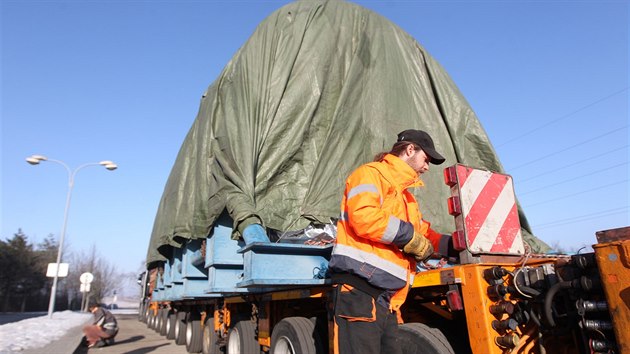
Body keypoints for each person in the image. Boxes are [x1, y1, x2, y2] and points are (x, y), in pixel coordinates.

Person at [328, 129, 452, 354]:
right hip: (361, 292)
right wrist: (408, 237)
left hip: (389, 300)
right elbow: (363, 216)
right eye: (427, 159)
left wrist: (455, 246)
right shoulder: (370, 174)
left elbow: (423, 233)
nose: (427, 167)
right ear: (410, 149)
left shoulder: (407, 198)